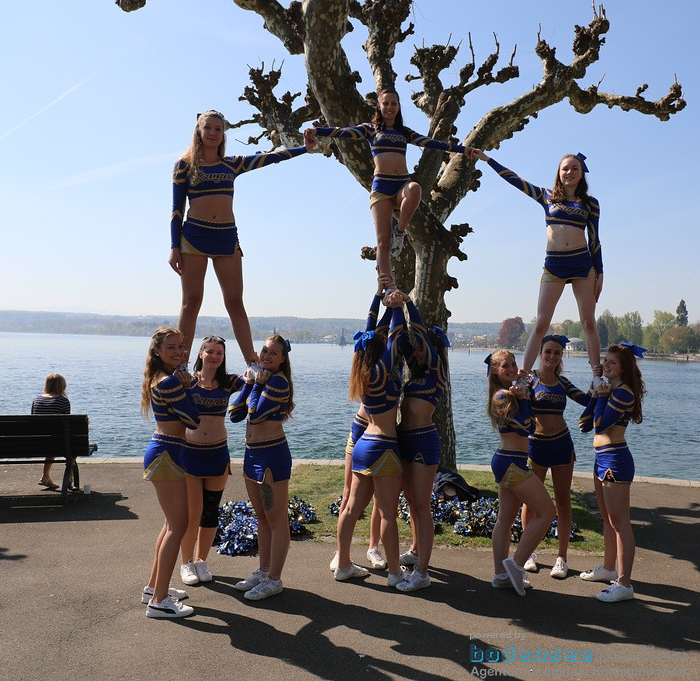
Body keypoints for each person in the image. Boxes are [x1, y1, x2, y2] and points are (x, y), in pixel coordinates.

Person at [170, 110, 315, 363]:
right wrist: (174, 247)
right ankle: (180, 363)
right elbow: (176, 210)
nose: (213, 133)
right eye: (208, 128)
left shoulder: (232, 163)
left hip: (226, 238)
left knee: (235, 302)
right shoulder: (184, 165)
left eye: (218, 129)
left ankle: (252, 362)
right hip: (193, 238)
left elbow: (270, 158)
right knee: (191, 303)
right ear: (198, 131)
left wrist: (304, 148)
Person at [303, 90, 473, 289]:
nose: (390, 107)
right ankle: (387, 284)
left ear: (398, 107)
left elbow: (432, 143)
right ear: (379, 106)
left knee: (415, 189)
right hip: (381, 188)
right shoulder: (370, 129)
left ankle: (400, 232)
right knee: (383, 241)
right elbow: (345, 132)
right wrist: (317, 131)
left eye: (393, 103)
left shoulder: (404, 132)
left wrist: (463, 150)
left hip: (402, 185)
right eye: (386, 103)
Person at [469, 149, 604, 385]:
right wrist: (487, 159)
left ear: (582, 174)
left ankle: (596, 376)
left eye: (574, 168)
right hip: (554, 264)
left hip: (583, 264)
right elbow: (515, 180)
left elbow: (595, 239)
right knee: (541, 323)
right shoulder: (546, 196)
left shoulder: (590, 204)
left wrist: (600, 272)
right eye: (565, 168)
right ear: (559, 173)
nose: (570, 172)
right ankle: (523, 376)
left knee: (588, 322)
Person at [334, 289, 409, 587]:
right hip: (385, 445)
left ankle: (342, 564)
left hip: (363, 443)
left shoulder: (362, 371)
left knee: (351, 508)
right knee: (388, 512)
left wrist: (379, 300)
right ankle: (394, 573)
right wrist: (398, 305)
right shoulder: (385, 368)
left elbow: (371, 328)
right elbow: (394, 333)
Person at [228, 335, 296, 601]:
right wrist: (248, 382)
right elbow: (235, 413)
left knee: (277, 519)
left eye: (274, 353)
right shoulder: (262, 379)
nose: (267, 356)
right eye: (264, 351)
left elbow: (254, 411)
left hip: (271, 456)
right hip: (251, 454)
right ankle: (263, 570)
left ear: (282, 359)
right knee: (262, 518)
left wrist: (255, 384)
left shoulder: (278, 381)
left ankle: (274, 579)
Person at [577, 343, 645, 603]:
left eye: (612, 363)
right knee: (607, 518)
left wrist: (602, 397)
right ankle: (608, 568)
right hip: (601, 458)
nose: (605, 365)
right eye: (605, 360)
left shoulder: (624, 393)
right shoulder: (610, 389)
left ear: (624, 369)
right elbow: (585, 425)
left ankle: (624, 583)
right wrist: (595, 394)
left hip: (616, 459)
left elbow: (600, 424)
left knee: (620, 523)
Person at [485, 350, 556, 597]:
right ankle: (515, 564)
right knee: (547, 512)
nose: (512, 368)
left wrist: (525, 391)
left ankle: (500, 576)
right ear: (495, 370)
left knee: (505, 519)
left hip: (511, 461)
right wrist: (524, 397)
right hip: (510, 463)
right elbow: (526, 428)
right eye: (505, 365)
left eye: (513, 364)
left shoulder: (509, 392)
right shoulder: (502, 396)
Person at [520, 335, 591, 579]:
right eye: (548, 351)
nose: (552, 356)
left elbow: (586, 400)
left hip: (562, 445)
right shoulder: (529, 381)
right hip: (535, 447)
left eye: (557, 353)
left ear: (562, 356)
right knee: (531, 501)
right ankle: (528, 553)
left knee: (563, 501)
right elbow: (516, 405)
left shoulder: (563, 382)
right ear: (540, 352)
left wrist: (603, 391)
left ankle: (562, 557)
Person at [140, 327, 198, 619]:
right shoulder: (169, 383)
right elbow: (193, 419)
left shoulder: (161, 379)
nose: (178, 352)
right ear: (158, 351)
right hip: (167, 454)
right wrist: (188, 387)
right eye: (171, 347)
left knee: (170, 524)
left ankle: (154, 588)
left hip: (168, 452)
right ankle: (159, 602)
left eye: (181, 347)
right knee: (179, 525)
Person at [392, 298, 449, 592]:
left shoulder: (437, 370)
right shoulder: (416, 375)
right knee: (412, 503)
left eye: (421, 347)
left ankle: (423, 573)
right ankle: (415, 551)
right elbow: (400, 342)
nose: (417, 351)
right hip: (404, 439)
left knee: (422, 505)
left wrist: (407, 303)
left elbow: (420, 336)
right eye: (415, 349)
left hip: (424, 441)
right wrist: (392, 312)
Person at [178, 336, 244, 586]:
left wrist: (258, 367)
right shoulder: (189, 381)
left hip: (218, 453)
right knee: (192, 512)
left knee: (210, 511)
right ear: (201, 354)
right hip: (190, 453)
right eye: (210, 351)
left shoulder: (229, 382)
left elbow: (254, 381)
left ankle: (201, 560)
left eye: (219, 353)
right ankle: (186, 563)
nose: (214, 356)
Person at [31, 373, 70, 490]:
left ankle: (45, 476)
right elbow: (66, 424)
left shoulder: (36, 400)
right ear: (62, 386)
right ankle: (69, 478)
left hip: (35, 443)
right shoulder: (63, 401)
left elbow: (33, 421)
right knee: (62, 441)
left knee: (51, 438)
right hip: (55, 443)